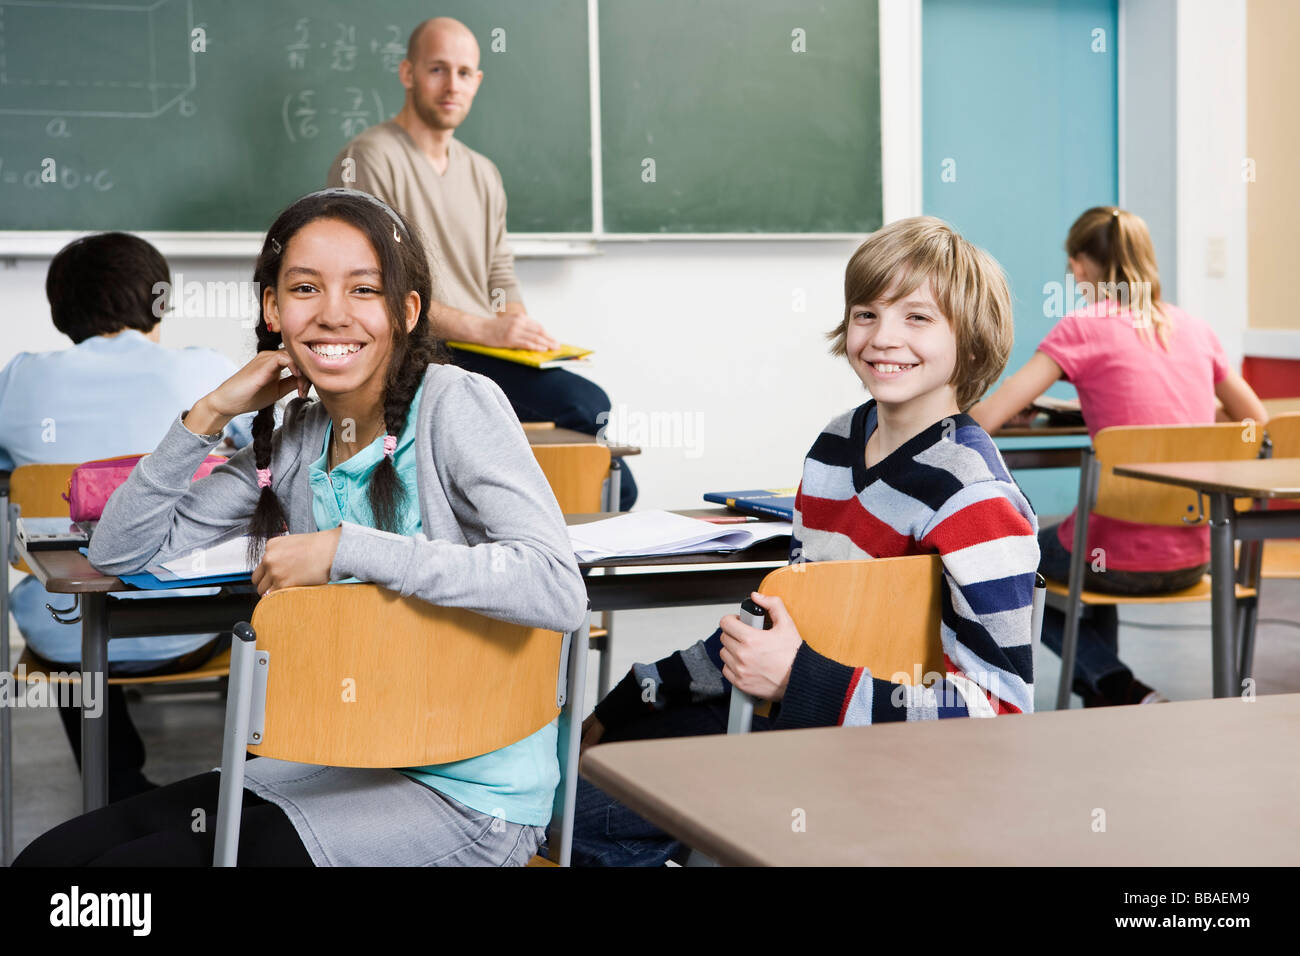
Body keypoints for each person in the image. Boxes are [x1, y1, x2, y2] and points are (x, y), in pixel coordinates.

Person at [13, 189, 587, 866]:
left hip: (466, 796)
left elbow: (556, 588)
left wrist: (348, 550)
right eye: (305, 288)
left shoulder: (455, 403)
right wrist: (208, 411)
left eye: (364, 289)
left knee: (113, 884)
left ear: (406, 311)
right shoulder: (292, 437)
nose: (333, 313)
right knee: (52, 860)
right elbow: (117, 549)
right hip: (339, 759)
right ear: (273, 310)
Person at [572, 216, 1040, 866]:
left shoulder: (975, 497)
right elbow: (780, 623)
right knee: (558, 785)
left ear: (971, 337)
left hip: (875, 765)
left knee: (572, 823)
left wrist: (801, 678)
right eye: (866, 314)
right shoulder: (836, 444)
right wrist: (633, 697)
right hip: (785, 723)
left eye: (917, 318)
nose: (883, 338)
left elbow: (1000, 712)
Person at [326, 17, 637, 510]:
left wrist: (519, 331)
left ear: (478, 81)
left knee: (607, 462)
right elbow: (378, 291)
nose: (453, 86)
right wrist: (489, 331)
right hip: (415, 353)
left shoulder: (482, 172)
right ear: (408, 73)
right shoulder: (370, 158)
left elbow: (500, 275)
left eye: (465, 73)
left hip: (480, 354)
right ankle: (516, 522)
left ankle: (519, 527)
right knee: (586, 408)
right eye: (437, 70)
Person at [970, 206, 1268, 706]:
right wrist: (1181, 411)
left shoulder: (1082, 328)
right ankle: (1109, 690)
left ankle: (1111, 681)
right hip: (1196, 556)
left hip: (1116, 555)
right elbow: (1254, 420)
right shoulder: (1195, 330)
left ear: (1081, 266)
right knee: (1092, 546)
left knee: (1001, 562)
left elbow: (985, 419)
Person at [0, 232, 252, 801]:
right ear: (159, 301)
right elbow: (264, 457)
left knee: (76, 611)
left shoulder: (18, 377)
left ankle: (112, 782)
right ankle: (251, 780)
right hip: (186, 628)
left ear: (61, 311)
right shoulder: (207, 371)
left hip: (62, 630)